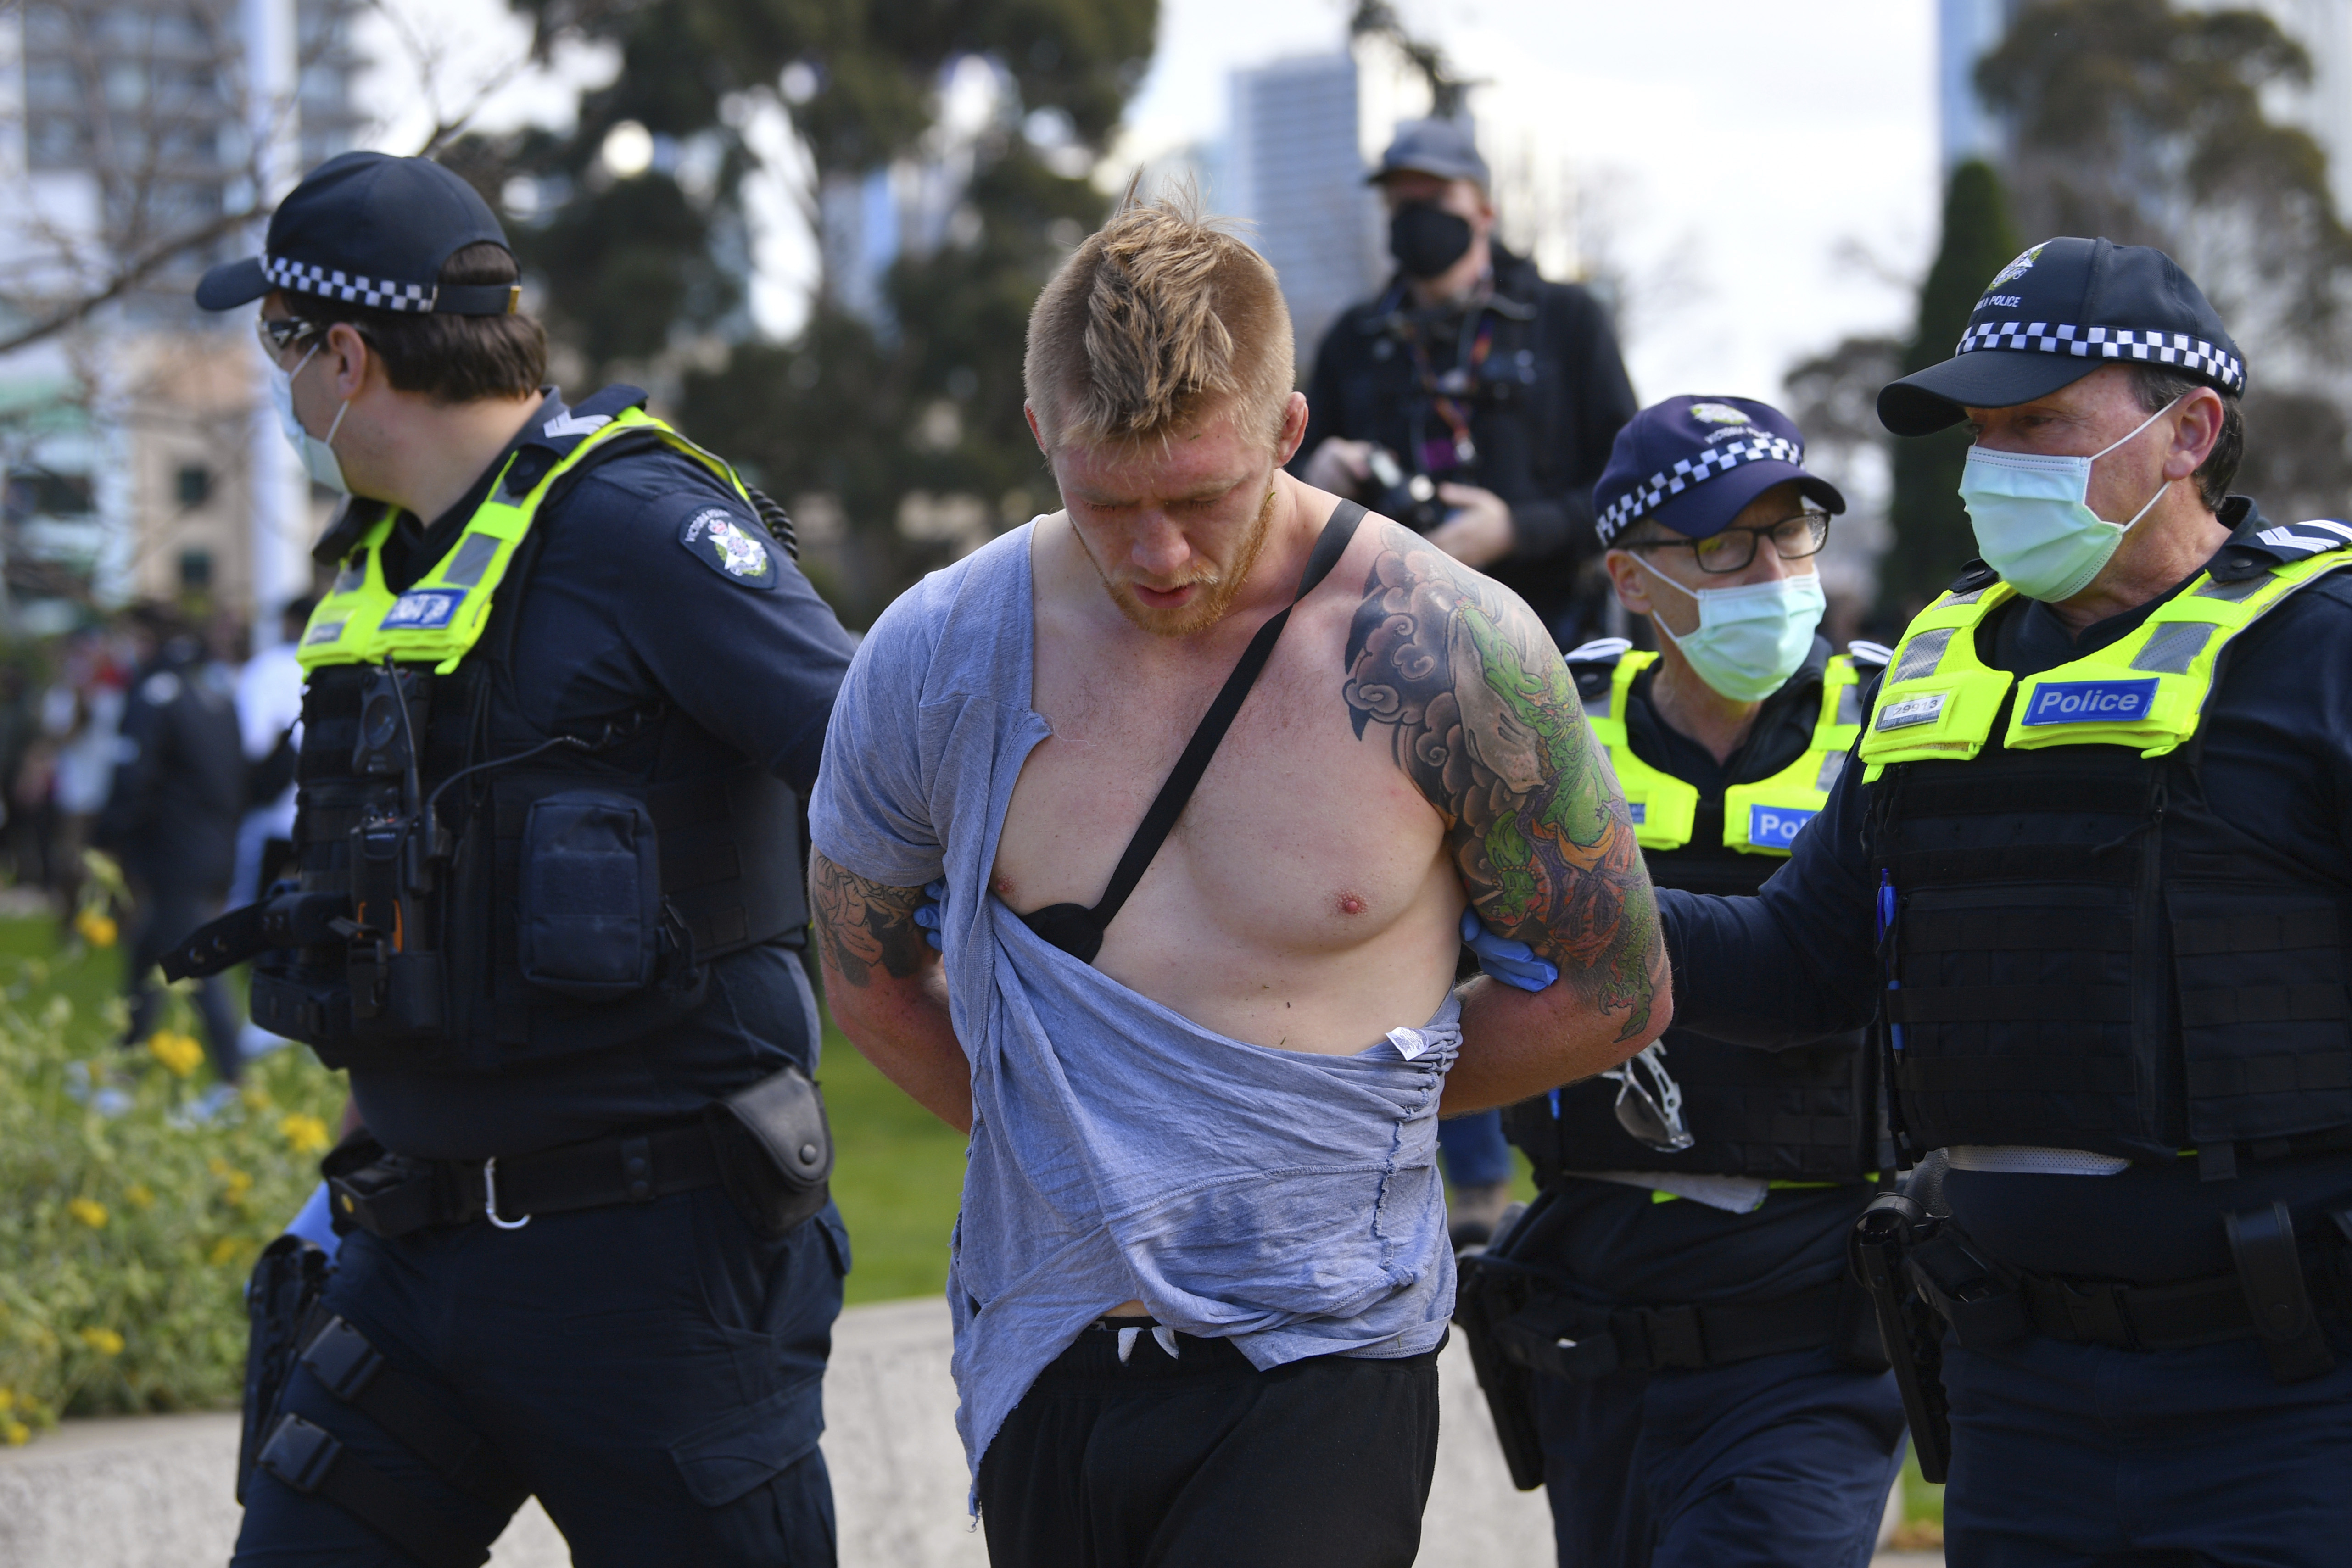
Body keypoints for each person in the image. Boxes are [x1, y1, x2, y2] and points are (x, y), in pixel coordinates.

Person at [807, 194, 1670, 1568]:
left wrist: (1325, 1124)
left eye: (1200, 497)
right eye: (1108, 502)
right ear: (1043, 437)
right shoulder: (935, 654)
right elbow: (864, 971)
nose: (1157, 555)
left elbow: (1616, 985)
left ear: (1287, 429)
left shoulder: (1447, 648)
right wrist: (1082, 1150)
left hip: (1323, 1344)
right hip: (1050, 1346)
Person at [184, 150, 857, 1567]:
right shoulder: (384, 562)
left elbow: (882, 765)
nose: (283, 387)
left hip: (650, 1262)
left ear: (346, 357)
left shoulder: (642, 526)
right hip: (413, 1248)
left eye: (281, 346)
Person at [1657, 235, 2352, 1567]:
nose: (1995, 465)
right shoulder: (1936, 664)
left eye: (2038, 421)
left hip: (2289, 1400)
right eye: (1980, 430)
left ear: (2188, 430)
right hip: (2017, 1403)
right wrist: (1564, 898)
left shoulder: (2318, 647)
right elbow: (1801, 964)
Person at [1470, 395, 1905, 1567]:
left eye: (1792, 533)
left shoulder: (1894, 721)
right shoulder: (1545, 724)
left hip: (1813, 1323)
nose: (1771, 569)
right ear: (1630, 576)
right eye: (1723, 543)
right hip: (1591, 1322)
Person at [95, 602, 248, 1081]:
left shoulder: (157, 696)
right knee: (149, 956)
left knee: (195, 965)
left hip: (173, 851)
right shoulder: (215, 694)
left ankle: (234, 1080)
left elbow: (133, 776)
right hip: (215, 846)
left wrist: (107, 838)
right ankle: (125, 1065)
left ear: (146, 640)